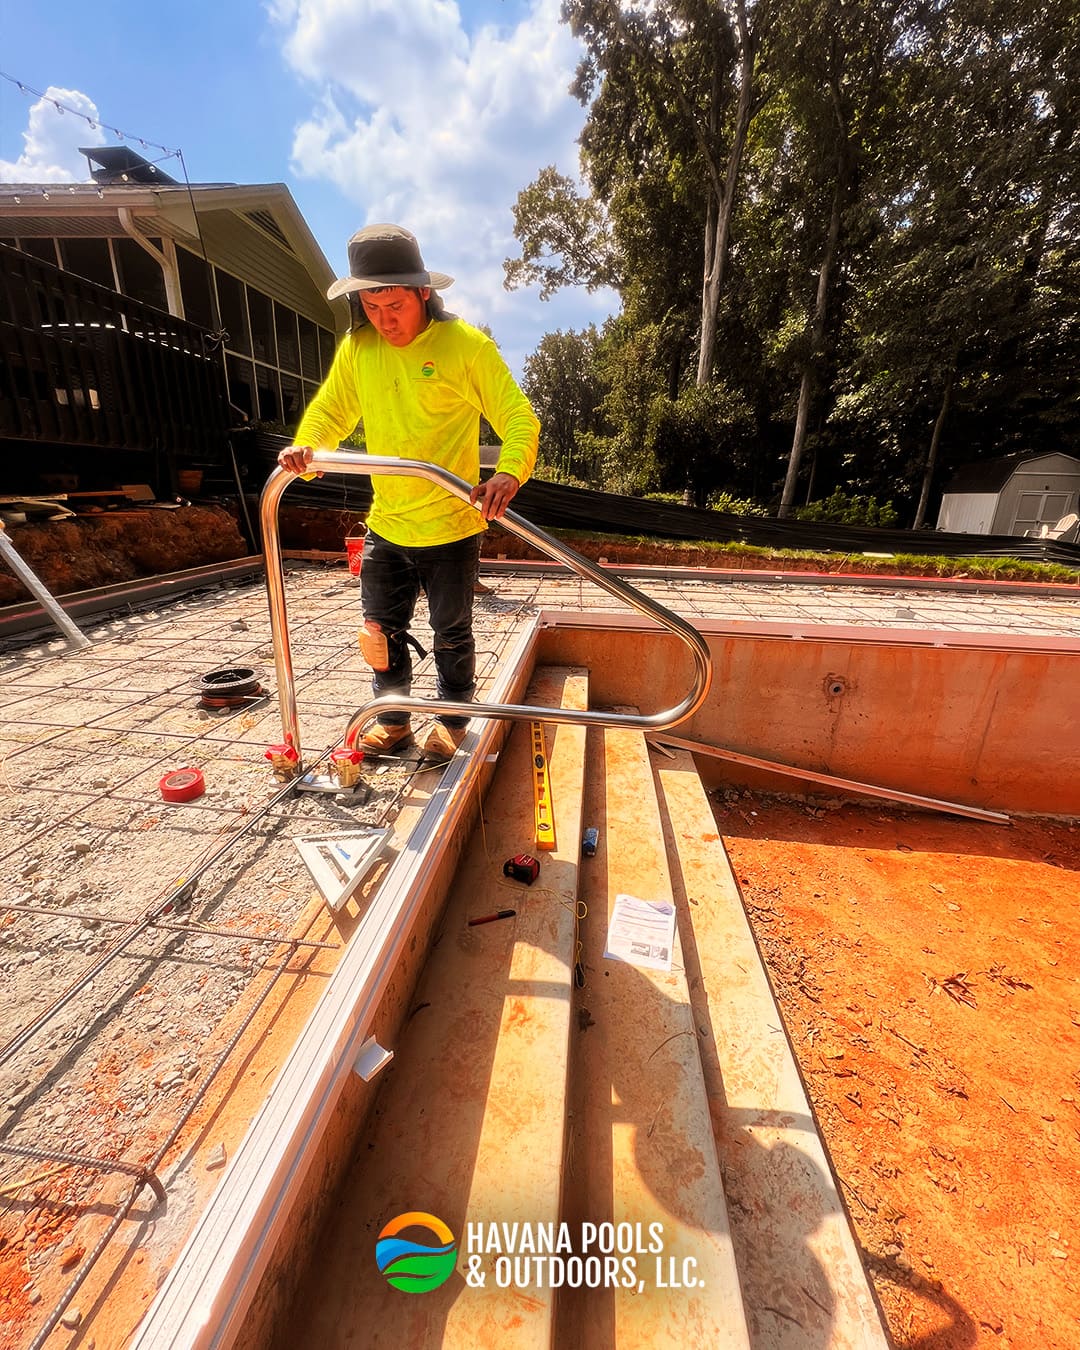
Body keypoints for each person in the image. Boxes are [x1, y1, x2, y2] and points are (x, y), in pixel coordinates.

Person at [277, 224, 539, 761]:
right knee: (378, 632)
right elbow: (331, 411)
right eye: (371, 307)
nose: (384, 319)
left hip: (450, 526)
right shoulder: (359, 348)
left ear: (422, 292)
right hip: (388, 525)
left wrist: (508, 473)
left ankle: (452, 719)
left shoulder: (465, 346)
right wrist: (308, 446)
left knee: (451, 632)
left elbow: (518, 417)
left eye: (393, 304)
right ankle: (393, 720)